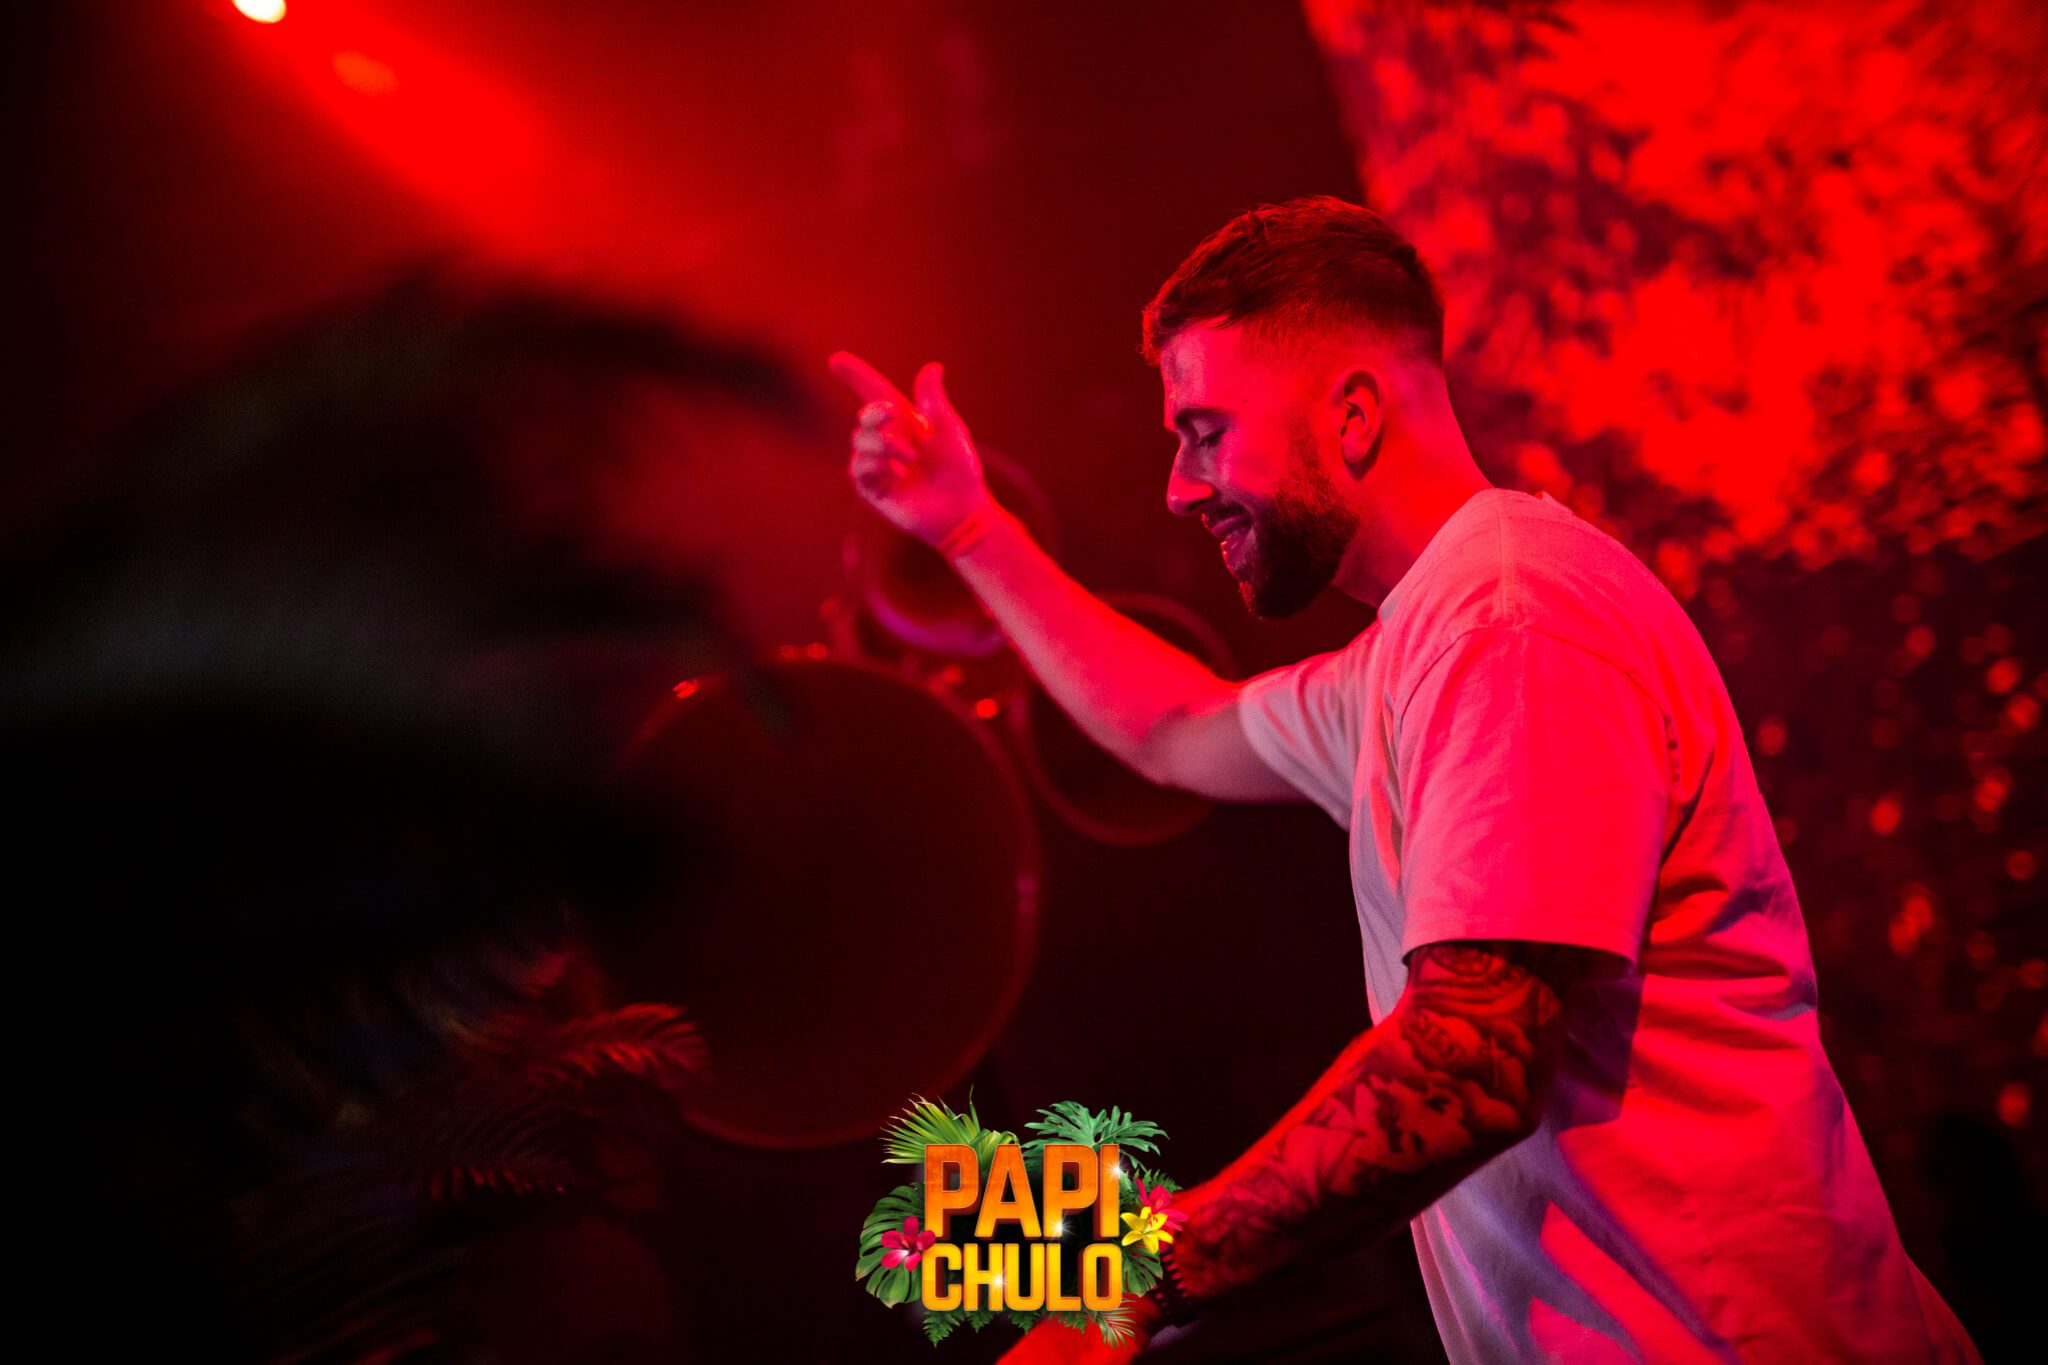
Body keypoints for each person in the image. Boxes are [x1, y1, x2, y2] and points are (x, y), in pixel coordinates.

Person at [829, 196, 1981, 1363]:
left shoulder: (1507, 618)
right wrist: (968, 531)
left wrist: (1128, 1292)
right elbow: (1174, 725)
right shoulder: (1421, 646)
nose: (1178, 485)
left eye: (1206, 432)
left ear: (1351, 414)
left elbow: (1465, 1064)